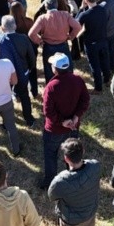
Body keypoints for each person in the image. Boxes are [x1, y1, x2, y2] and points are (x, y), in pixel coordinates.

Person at [40, 52, 91, 190]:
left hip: (54, 130)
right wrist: (76, 117)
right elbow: (85, 100)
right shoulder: (78, 80)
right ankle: (73, 177)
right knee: (71, 153)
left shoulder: (51, 86)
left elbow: (47, 111)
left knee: (51, 155)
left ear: (55, 69)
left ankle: (50, 182)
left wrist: (62, 122)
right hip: (73, 128)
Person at [48, 138, 100, 226]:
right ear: (83, 151)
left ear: (66, 159)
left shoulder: (59, 181)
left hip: (70, 221)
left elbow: (51, 196)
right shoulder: (95, 166)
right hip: (89, 214)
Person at [76, 0, 110, 94]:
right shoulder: (103, 9)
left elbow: (75, 24)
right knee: (104, 61)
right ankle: (107, 79)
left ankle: (98, 88)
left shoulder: (85, 14)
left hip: (91, 44)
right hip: (103, 40)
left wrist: (81, 8)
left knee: (95, 65)